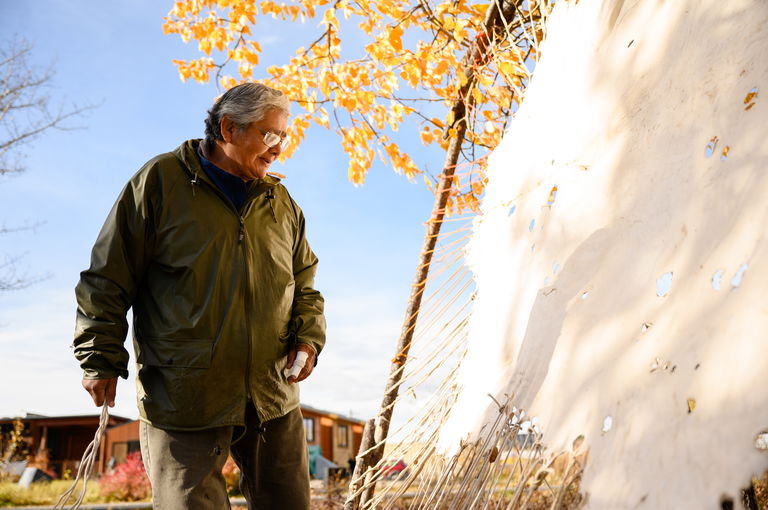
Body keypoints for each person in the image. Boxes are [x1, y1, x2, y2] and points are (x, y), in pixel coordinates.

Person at [73, 82, 326, 510]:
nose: (279, 147)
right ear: (229, 128)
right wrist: (99, 357)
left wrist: (307, 340)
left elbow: (305, 285)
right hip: (184, 396)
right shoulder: (158, 183)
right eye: (270, 134)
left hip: (272, 396)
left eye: (285, 136)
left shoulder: (282, 203)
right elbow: (106, 278)